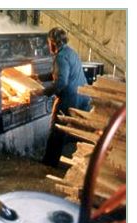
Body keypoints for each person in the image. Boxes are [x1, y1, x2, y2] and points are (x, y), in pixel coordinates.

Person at [41, 27, 91, 167]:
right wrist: (39, 77)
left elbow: (62, 82)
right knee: (75, 130)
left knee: (56, 128)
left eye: (48, 42)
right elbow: (59, 73)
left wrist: (44, 92)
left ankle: (49, 163)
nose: (48, 45)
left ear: (53, 42)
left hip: (70, 97)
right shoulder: (70, 51)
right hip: (83, 94)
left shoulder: (60, 57)